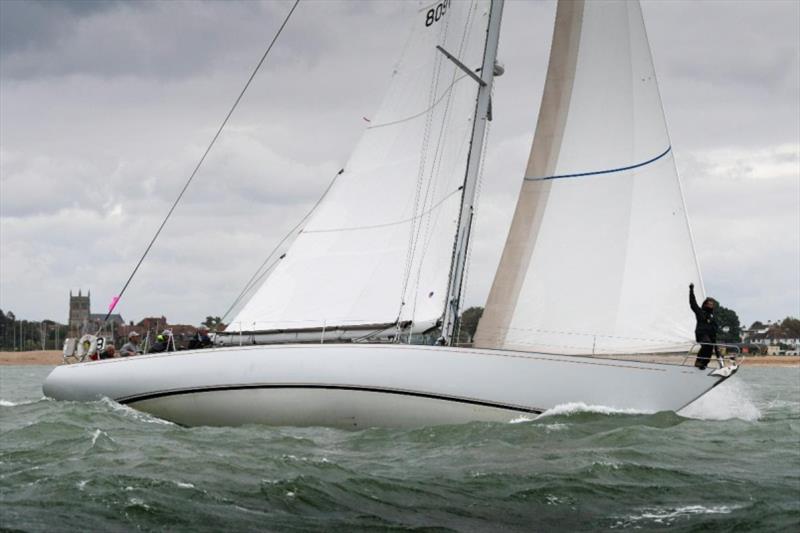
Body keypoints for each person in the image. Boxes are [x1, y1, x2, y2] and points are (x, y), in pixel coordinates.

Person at [689, 283, 720, 370]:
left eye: (712, 304)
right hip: (701, 334)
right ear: (705, 304)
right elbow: (693, 303)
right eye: (709, 304)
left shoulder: (712, 316)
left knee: (711, 348)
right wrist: (691, 290)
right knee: (707, 345)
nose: (711, 305)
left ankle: (704, 364)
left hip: (710, 336)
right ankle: (699, 362)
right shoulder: (700, 312)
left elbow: (715, 328)